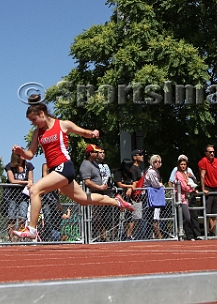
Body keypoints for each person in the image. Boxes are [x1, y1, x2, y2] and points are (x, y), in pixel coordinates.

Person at [11, 99, 133, 240]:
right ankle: (117, 201)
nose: (34, 123)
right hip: (55, 171)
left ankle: (31, 228)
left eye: (34, 119)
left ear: (42, 113)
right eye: (31, 121)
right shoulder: (37, 133)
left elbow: (82, 132)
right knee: (83, 199)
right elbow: (30, 154)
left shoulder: (62, 124)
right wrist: (21, 152)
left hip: (64, 167)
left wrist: (92, 133)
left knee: (34, 190)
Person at [80, 144, 111, 241]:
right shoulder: (85, 165)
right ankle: (91, 237)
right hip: (93, 194)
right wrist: (99, 187)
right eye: (96, 152)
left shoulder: (94, 164)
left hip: (100, 193)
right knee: (95, 217)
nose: (98, 154)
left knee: (103, 216)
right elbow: (87, 181)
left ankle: (102, 236)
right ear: (90, 153)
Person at [5, 152, 34, 241]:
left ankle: (19, 239)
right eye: (21, 154)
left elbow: (31, 179)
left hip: (24, 196)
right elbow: (12, 180)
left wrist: (29, 182)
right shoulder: (10, 166)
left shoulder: (28, 166)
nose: (24, 155)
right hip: (12, 196)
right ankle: (11, 240)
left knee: (22, 218)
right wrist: (26, 182)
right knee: (11, 218)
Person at [198, 144, 217, 235]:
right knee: (207, 212)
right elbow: (202, 175)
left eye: (213, 151)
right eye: (210, 152)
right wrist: (203, 189)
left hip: (216, 188)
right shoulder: (203, 161)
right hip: (208, 188)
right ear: (206, 153)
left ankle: (213, 231)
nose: (212, 153)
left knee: (215, 212)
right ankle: (207, 231)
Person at [173, 155, 198, 240]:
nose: (183, 166)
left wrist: (191, 186)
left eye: (184, 164)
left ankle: (182, 231)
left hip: (185, 198)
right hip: (180, 199)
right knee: (187, 217)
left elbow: (190, 182)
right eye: (181, 164)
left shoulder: (186, 174)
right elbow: (184, 186)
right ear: (178, 165)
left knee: (188, 217)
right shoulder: (178, 174)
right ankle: (180, 230)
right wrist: (191, 188)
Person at [144, 155, 165, 239]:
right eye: (155, 161)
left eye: (159, 162)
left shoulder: (156, 171)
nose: (157, 163)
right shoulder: (151, 171)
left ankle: (154, 234)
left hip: (154, 194)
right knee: (154, 215)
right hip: (152, 194)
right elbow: (155, 184)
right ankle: (157, 234)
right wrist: (161, 185)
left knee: (155, 215)